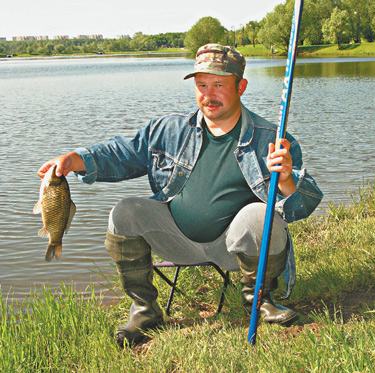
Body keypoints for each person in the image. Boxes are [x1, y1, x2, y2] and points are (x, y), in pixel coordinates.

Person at [38, 44, 323, 347]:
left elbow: (303, 205)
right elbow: (123, 153)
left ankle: (259, 301)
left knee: (260, 214)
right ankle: (144, 312)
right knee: (125, 211)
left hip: (235, 250)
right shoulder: (170, 128)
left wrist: (288, 179)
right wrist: (75, 159)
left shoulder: (272, 138)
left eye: (218, 85)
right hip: (176, 241)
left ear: (241, 86)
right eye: (201, 85)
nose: (208, 94)